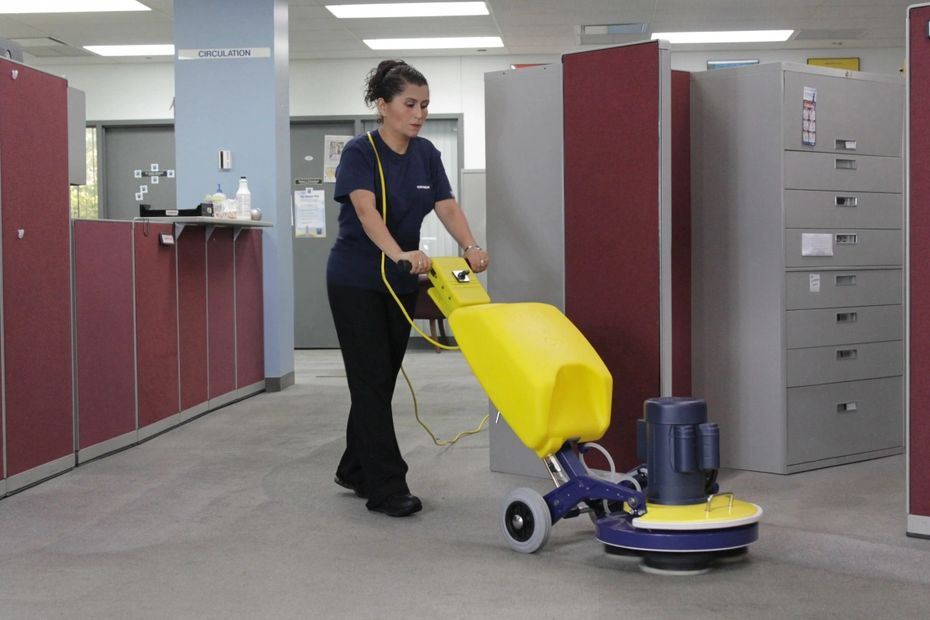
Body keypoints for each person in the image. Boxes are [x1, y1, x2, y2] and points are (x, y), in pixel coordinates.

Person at [327, 60, 490, 517]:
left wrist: (471, 245)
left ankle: (354, 467)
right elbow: (365, 211)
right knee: (370, 380)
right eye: (410, 104)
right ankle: (385, 486)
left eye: (425, 105)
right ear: (383, 105)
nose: (418, 114)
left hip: (399, 281)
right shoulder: (362, 152)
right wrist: (399, 251)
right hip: (356, 279)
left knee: (378, 380)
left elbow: (446, 204)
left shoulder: (427, 155)